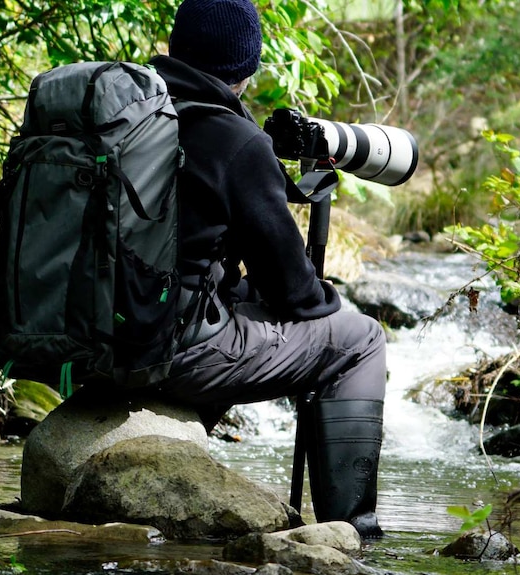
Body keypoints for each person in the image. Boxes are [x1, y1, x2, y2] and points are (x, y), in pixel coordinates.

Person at [146, 0, 387, 538]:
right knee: (361, 339)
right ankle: (351, 531)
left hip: (93, 341)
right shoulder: (232, 139)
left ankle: (162, 445)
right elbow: (295, 296)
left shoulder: (134, 115)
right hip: (172, 352)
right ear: (245, 66)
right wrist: (327, 299)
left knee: (223, 301)